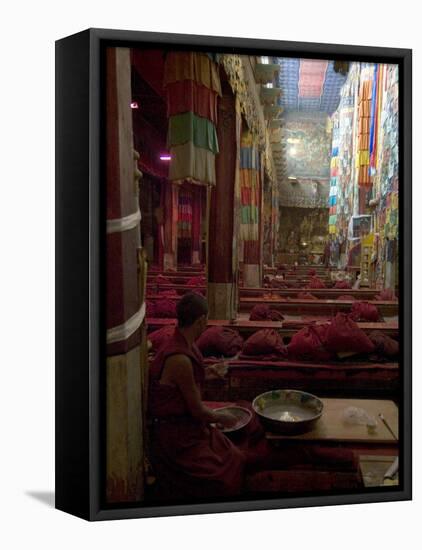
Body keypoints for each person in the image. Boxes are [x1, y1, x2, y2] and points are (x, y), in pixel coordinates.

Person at [147, 293, 246, 500]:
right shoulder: (179, 358)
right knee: (222, 477)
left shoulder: (186, 343)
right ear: (201, 320)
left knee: (234, 454)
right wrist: (223, 416)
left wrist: (210, 371)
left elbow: (187, 382)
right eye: (206, 321)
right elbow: (197, 410)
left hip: (189, 426)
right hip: (176, 437)